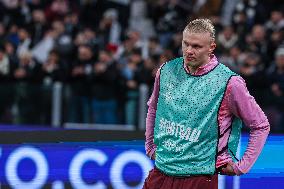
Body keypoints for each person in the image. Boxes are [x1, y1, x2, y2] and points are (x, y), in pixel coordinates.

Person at [143, 18, 270, 189]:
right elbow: (153, 108)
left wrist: (242, 166)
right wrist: (150, 145)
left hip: (198, 178)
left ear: (212, 47)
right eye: (185, 44)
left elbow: (260, 125)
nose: (189, 51)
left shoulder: (229, 82)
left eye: (196, 46)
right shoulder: (166, 70)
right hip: (160, 173)